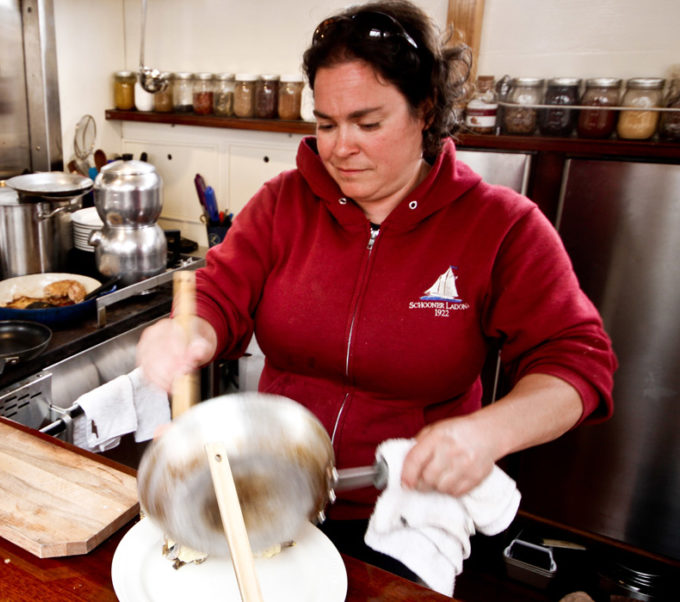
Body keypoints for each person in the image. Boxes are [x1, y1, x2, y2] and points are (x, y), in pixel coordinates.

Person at [136, 0, 616, 583]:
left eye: (368, 123)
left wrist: (491, 431)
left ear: (425, 111)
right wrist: (184, 332)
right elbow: (218, 295)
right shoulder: (283, 202)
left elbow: (576, 363)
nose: (340, 147)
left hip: (405, 510)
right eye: (326, 122)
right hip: (271, 497)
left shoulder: (502, 226)